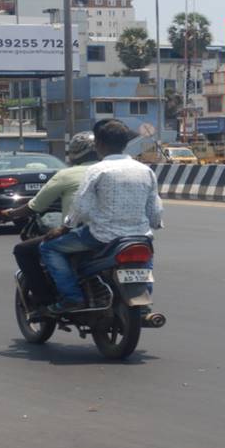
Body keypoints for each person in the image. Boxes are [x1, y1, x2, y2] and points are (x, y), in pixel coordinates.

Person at [39, 119, 164, 314]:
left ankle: (72, 298)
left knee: (48, 248)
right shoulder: (146, 171)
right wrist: (153, 225)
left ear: (99, 144)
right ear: (125, 144)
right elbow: (155, 211)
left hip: (101, 236)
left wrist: (64, 228)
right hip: (139, 236)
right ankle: (143, 305)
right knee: (145, 255)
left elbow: (81, 207)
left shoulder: (97, 170)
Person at [1, 132, 100, 306]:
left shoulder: (68, 174)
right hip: (127, 233)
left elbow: (35, 205)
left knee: (27, 250)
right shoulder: (114, 171)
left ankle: (52, 298)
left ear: (75, 152)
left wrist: (11, 214)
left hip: (87, 233)